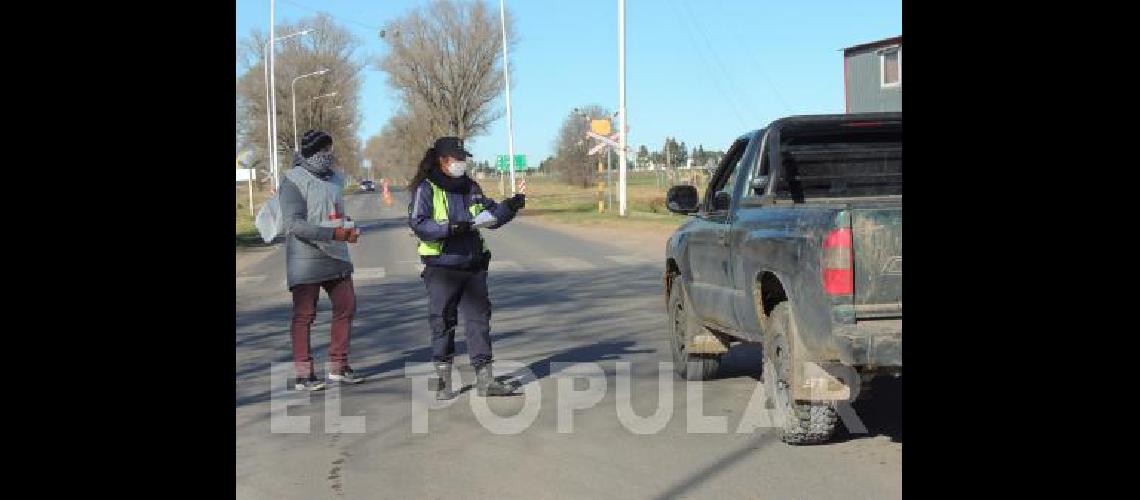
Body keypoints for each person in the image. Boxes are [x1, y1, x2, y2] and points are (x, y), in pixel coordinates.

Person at [408, 136, 526, 399]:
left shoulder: (470, 186)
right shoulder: (426, 189)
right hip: (441, 267)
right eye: (457, 159)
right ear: (443, 160)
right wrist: (449, 228)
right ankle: (443, 381)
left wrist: (511, 206)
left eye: (464, 159)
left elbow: (491, 216)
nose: (462, 163)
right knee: (442, 321)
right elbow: (418, 223)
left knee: (479, 321)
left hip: (473, 264)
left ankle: (486, 379)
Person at [279, 129, 364, 391]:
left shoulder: (335, 179)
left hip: (336, 255)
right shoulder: (293, 181)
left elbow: (336, 211)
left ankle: (339, 366)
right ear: (312, 151)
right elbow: (294, 224)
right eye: (325, 150)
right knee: (305, 315)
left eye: (331, 150)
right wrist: (333, 233)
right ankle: (304, 374)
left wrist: (348, 227)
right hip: (306, 258)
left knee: (346, 306)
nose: (329, 155)